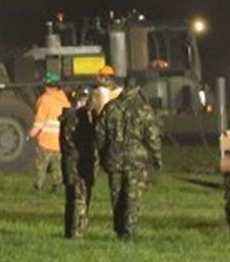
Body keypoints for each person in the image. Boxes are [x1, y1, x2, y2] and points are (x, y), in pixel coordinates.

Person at [95, 74, 163, 239]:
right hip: (136, 159)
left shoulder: (110, 107)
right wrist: (157, 157)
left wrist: (104, 153)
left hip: (114, 157)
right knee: (131, 196)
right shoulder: (143, 109)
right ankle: (129, 231)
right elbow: (152, 136)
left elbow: (99, 134)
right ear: (137, 88)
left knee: (116, 195)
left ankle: (119, 229)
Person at [60, 87, 98, 238]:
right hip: (77, 163)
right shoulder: (74, 117)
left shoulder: (73, 116)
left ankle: (72, 230)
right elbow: (72, 143)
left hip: (74, 162)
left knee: (74, 197)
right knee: (79, 196)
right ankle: (76, 232)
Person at [31, 72, 70, 192]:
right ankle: (58, 186)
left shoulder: (45, 99)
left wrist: (31, 134)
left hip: (46, 140)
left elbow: (40, 120)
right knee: (57, 166)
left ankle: (38, 186)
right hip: (59, 140)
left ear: (46, 85)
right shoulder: (64, 99)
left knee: (41, 166)